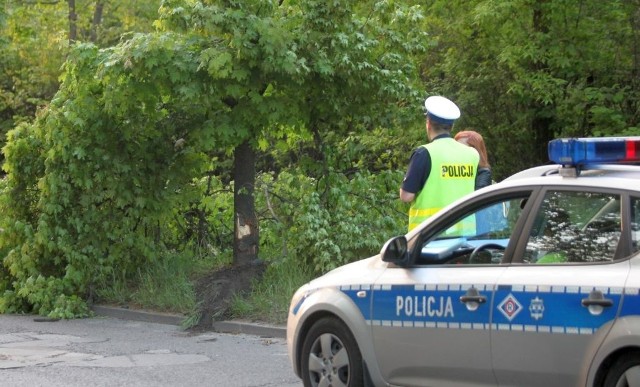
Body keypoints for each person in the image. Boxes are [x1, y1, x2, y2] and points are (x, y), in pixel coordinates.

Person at [400, 96, 479, 231]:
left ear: (428, 123)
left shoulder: (424, 153)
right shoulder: (472, 154)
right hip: (465, 236)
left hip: (429, 236)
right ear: (452, 126)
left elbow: (406, 196)